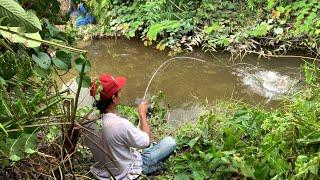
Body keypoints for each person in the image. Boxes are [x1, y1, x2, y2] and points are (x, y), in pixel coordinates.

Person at [84, 74, 176, 180]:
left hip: (101, 173)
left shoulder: (86, 121)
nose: (121, 94)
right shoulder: (121, 125)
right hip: (126, 173)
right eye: (119, 92)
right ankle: (156, 167)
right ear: (114, 98)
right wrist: (142, 114)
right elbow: (147, 141)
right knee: (170, 142)